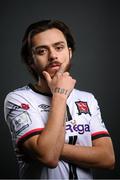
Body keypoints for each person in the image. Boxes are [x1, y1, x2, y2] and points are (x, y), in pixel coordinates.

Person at [4, 19, 115, 179]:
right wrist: (60, 95)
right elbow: (48, 157)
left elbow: (107, 158)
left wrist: (51, 147)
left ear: (69, 52)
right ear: (30, 60)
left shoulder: (87, 99)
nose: (53, 56)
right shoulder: (18, 99)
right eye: (42, 51)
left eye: (59, 47)